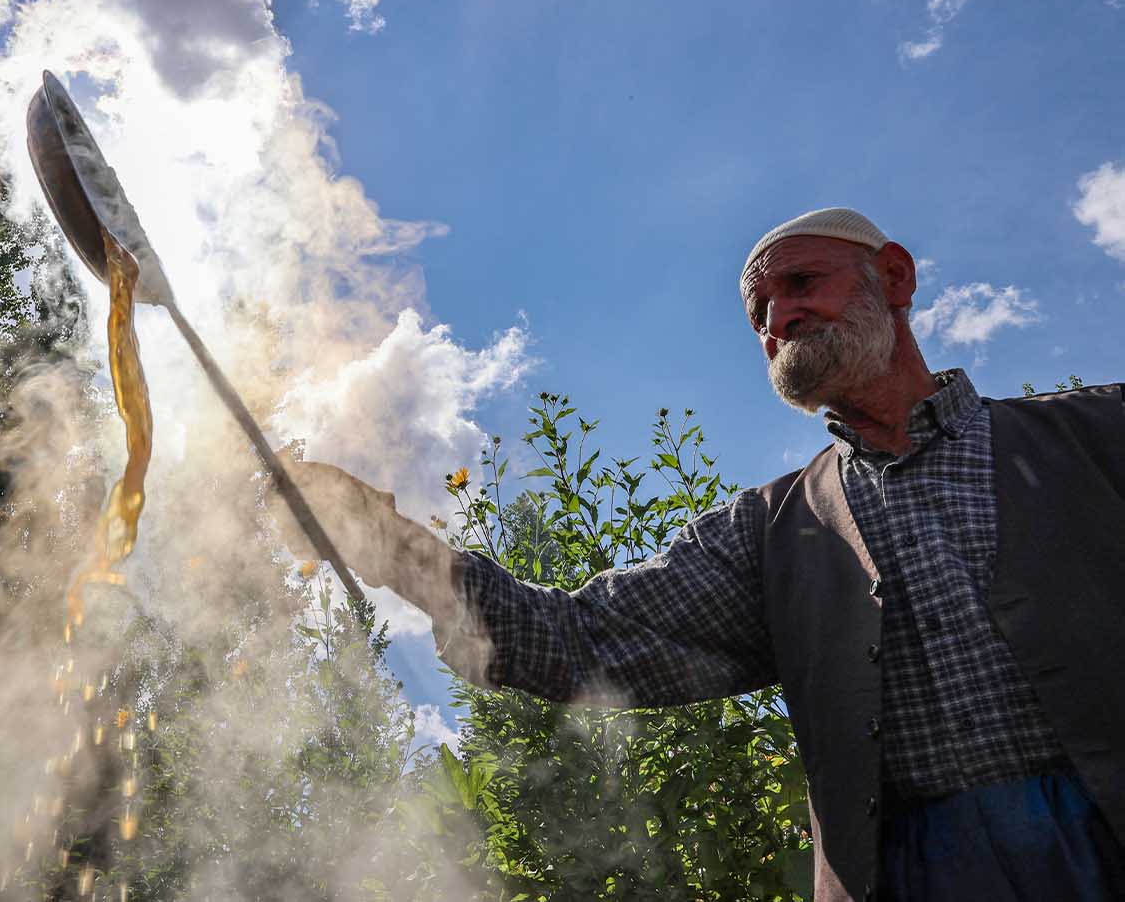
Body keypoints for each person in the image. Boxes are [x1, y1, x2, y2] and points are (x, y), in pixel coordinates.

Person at [274, 208, 1125, 901]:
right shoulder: (775, 533)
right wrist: (390, 544)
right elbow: (579, 641)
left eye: (801, 286)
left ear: (894, 278)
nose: (778, 319)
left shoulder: (1097, 436)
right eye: (759, 317)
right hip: (911, 874)